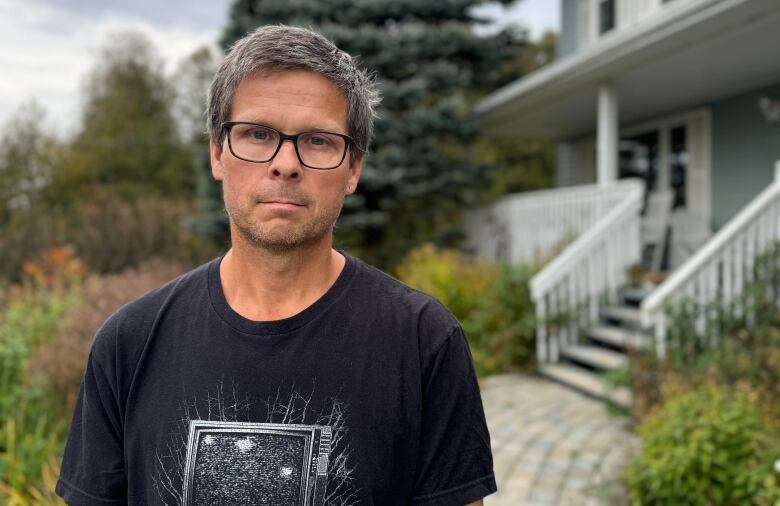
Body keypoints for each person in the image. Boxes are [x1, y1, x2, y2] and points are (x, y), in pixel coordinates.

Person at [56, 25, 496, 506]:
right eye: (257, 134)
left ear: (354, 169)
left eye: (318, 141)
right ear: (217, 154)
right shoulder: (129, 343)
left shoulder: (425, 342)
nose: (286, 163)